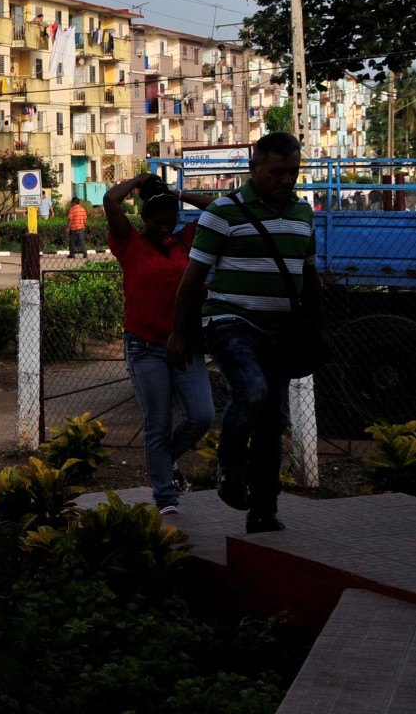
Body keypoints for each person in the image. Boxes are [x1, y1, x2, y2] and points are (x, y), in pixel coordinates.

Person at [168, 132, 324, 534]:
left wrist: (317, 326)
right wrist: (180, 334)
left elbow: (309, 276)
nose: (287, 179)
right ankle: (229, 464)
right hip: (231, 323)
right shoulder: (223, 212)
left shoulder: (303, 214)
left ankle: (263, 511)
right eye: (277, 171)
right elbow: (193, 278)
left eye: (293, 171)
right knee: (251, 392)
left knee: (272, 423)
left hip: (282, 332)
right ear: (254, 169)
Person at [104, 173, 217, 515]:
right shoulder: (129, 244)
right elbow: (111, 200)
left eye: (172, 221)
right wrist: (139, 179)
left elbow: (222, 209)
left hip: (186, 345)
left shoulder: (186, 242)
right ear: (145, 219)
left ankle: (163, 461)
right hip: (145, 346)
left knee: (202, 416)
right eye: (159, 222)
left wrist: (177, 192)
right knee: (158, 422)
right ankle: (165, 497)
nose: (167, 228)